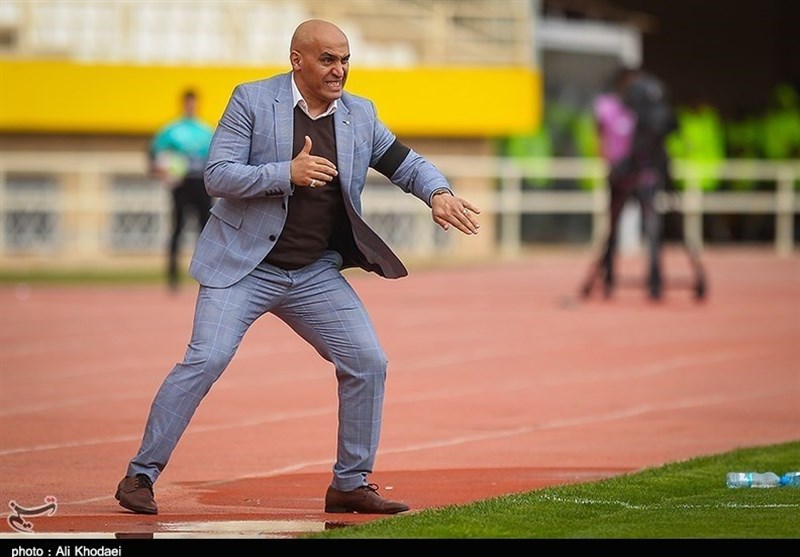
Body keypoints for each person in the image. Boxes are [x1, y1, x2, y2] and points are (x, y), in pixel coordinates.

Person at [115, 19, 481, 516]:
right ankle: (140, 475)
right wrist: (286, 172)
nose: (339, 70)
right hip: (243, 266)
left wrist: (437, 192)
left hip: (313, 272)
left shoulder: (360, 114)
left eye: (345, 60)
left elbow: (407, 163)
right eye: (328, 59)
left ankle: (350, 483)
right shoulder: (251, 100)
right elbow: (217, 176)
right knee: (206, 360)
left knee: (368, 362)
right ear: (297, 60)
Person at [149, 89, 214, 291]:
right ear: (183, 104)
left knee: (206, 231)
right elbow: (154, 153)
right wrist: (160, 170)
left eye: (193, 103)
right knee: (177, 228)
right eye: (188, 103)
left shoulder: (206, 131)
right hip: (181, 184)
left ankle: (207, 275)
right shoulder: (172, 131)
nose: (191, 106)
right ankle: (173, 277)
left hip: (201, 183)